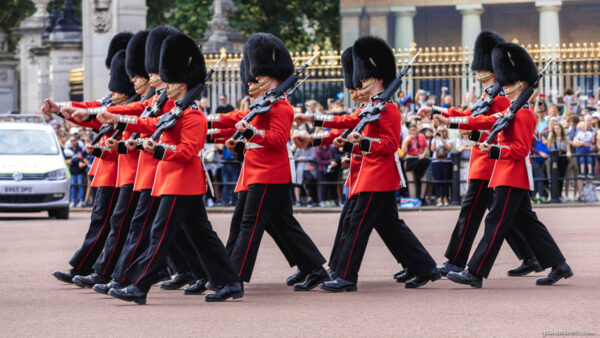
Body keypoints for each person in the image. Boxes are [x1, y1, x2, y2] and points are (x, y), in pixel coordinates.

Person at [104, 33, 242, 304]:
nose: (163, 85)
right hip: (172, 182)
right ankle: (230, 282)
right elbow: (152, 125)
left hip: (182, 183)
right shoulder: (176, 110)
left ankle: (138, 285)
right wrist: (120, 118)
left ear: (181, 83)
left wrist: (155, 150)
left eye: (168, 80)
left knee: (160, 234)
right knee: (203, 236)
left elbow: (188, 152)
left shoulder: (192, 114)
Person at [444, 42, 572, 288]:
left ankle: (475, 271)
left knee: (495, 223)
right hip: (503, 175)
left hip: (512, 176)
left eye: (509, 83)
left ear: (520, 85)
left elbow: (520, 150)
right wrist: (451, 122)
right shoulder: (511, 110)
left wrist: (493, 149)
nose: (504, 86)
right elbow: (482, 121)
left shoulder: (524, 113)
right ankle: (559, 265)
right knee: (528, 223)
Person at [320, 36, 440, 292]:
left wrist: (362, 142)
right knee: (390, 227)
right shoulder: (373, 106)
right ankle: (425, 267)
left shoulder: (389, 109)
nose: (360, 80)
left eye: (364, 76)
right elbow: (348, 120)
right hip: (370, 175)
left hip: (378, 176)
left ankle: (345, 276)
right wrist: (319, 121)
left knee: (357, 224)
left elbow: (388, 144)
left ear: (376, 77)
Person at [428, 31, 542, 278]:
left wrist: (462, 128)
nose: (477, 71)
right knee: (509, 217)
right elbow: (469, 114)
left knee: (473, 212)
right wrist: (439, 111)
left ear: (491, 70)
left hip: (491, 162)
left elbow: (492, 125)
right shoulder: (487, 95)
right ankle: (531, 256)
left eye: (481, 67)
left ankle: (457, 261)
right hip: (487, 161)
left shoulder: (502, 97)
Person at [224, 33, 329, 291]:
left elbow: (277, 139)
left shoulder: (281, 107)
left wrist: (249, 132)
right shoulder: (262, 105)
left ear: (274, 77)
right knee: (282, 224)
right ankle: (313, 268)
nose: (255, 80)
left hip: (270, 174)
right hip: (258, 172)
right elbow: (235, 120)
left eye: (260, 76)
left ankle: (233, 278)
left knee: (250, 225)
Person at [48, 31, 134, 284]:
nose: (110, 74)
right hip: (108, 170)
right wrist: (60, 109)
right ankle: (90, 267)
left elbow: (97, 114)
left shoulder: (131, 103)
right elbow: (89, 110)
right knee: (112, 222)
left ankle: (97, 269)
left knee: (116, 223)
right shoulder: (112, 99)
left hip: (122, 170)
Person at [401, 123, 430, 203]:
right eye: (411, 130)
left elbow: (426, 147)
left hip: (420, 158)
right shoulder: (406, 137)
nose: (413, 132)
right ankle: (413, 199)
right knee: (411, 180)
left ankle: (422, 198)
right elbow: (404, 151)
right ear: (409, 131)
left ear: (417, 129)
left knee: (423, 178)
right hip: (410, 158)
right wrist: (407, 140)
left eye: (415, 130)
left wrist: (423, 155)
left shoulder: (421, 136)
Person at [429, 126, 453, 206]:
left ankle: (445, 197)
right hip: (436, 162)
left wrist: (442, 139)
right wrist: (436, 138)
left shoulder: (449, 140)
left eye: (443, 131)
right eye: (440, 131)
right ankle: (438, 198)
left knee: (445, 180)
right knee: (437, 180)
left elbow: (448, 148)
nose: (441, 133)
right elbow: (432, 149)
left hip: (446, 162)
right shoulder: (434, 139)